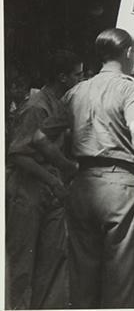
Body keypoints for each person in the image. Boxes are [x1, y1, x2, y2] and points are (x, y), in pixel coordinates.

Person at [62, 28, 134, 308]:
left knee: (83, 275)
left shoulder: (75, 91)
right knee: (121, 278)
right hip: (120, 184)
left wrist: (68, 167)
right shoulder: (131, 87)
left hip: (82, 183)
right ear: (129, 52)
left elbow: (42, 138)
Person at [5, 50, 84, 309]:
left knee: (51, 263)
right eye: (77, 74)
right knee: (22, 265)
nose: (80, 79)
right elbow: (18, 155)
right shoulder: (37, 106)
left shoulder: (58, 104)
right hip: (28, 190)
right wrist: (55, 179)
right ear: (62, 76)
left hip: (50, 191)